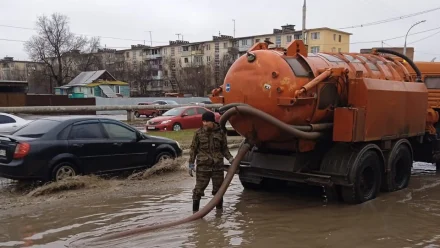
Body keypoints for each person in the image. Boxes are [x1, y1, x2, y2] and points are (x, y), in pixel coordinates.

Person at [188, 111, 234, 212]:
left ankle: (219, 214)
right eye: (203, 121)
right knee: (198, 191)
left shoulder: (221, 133)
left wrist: (231, 159)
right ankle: (195, 214)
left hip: (217, 167)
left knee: (219, 192)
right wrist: (191, 164)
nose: (204, 123)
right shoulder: (198, 133)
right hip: (203, 167)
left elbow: (224, 149)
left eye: (207, 121)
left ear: (212, 122)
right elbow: (193, 149)